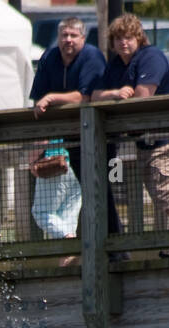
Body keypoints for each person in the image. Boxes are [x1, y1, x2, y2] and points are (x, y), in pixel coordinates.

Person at [91, 14, 169, 256]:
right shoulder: (117, 64)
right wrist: (115, 93)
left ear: (138, 38)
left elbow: (142, 96)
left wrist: (122, 96)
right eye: (118, 39)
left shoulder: (151, 57)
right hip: (146, 141)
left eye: (128, 37)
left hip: (167, 136)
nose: (123, 43)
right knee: (165, 193)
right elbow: (95, 95)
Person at [32, 17, 125, 258]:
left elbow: (86, 97)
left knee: (101, 190)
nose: (68, 40)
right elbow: (37, 100)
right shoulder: (49, 58)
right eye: (64, 35)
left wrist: (52, 99)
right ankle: (93, 249)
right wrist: (39, 143)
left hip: (98, 135)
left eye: (74, 35)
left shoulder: (91, 56)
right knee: (83, 196)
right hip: (67, 140)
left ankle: (115, 250)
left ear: (83, 38)